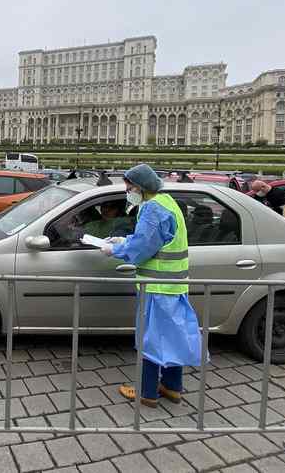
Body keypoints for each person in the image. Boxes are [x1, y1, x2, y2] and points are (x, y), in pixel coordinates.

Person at [100, 164, 204, 408]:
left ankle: (147, 392)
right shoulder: (167, 201)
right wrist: (124, 239)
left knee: (151, 340)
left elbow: (143, 248)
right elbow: (156, 240)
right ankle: (172, 388)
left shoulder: (151, 209)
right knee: (172, 338)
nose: (127, 191)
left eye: (129, 187)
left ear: (141, 187)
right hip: (175, 286)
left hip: (157, 289)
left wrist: (114, 249)